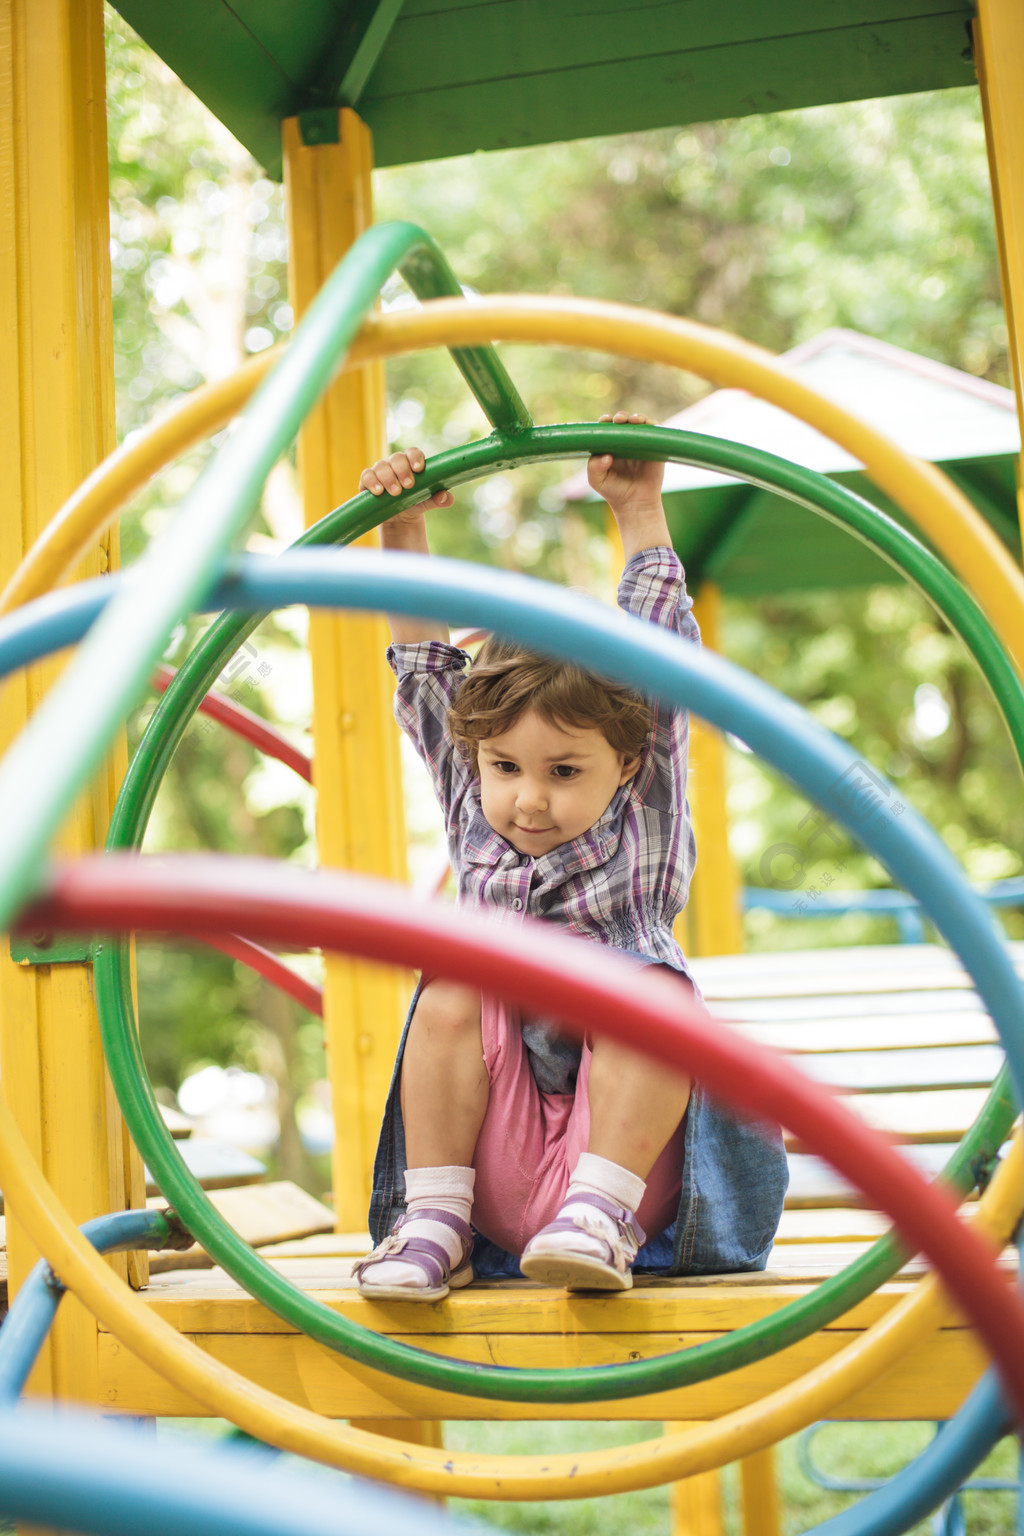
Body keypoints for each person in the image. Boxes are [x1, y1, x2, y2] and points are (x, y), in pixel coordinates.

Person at [354, 414, 787, 1300]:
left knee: (647, 992)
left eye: (564, 770)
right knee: (456, 977)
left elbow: (662, 648)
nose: (529, 798)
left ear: (627, 763)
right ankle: (434, 1220)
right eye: (506, 768)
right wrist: (403, 529)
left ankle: (598, 1219)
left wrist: (636, 505)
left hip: (624, 1174)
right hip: (496, 1173)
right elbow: (424, 671)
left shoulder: (644, 803)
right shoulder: (477, 803)